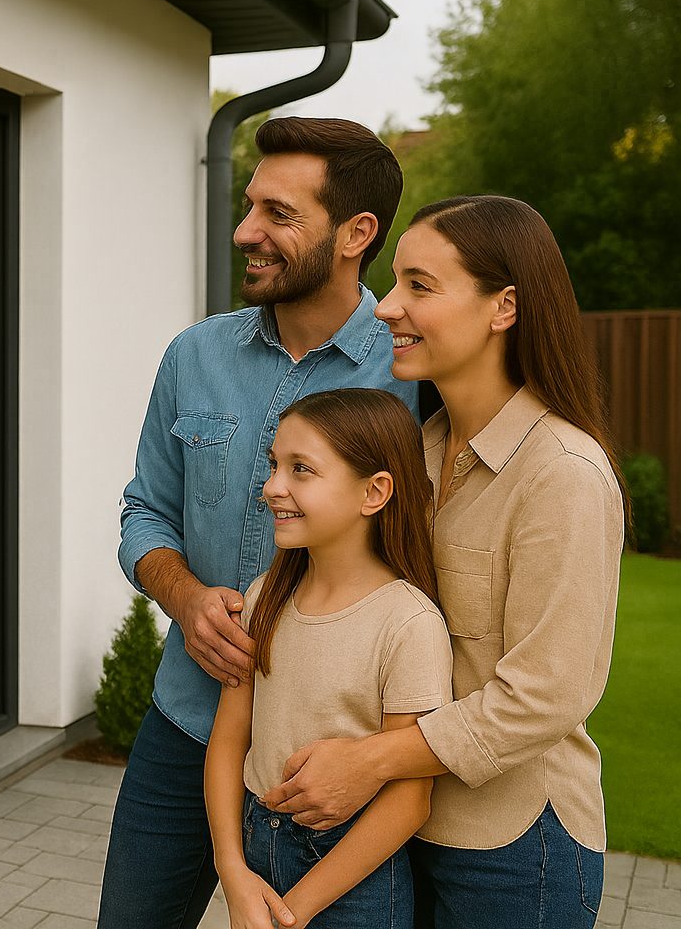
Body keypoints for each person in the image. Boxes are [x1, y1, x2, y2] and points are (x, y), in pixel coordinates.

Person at [263, 196, 627, 928]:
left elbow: (547, 695)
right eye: (394, 282)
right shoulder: (418, 455)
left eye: (419, 287)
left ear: (504, 307)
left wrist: (370, 761)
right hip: (404, 828)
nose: (386, 307)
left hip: (515, 847)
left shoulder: (563, 473)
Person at [101, 117, 416, 928]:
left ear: (357, 234)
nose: (246, 232)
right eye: (250, 207)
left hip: (332, 762)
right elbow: (144, 513)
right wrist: (184, 597)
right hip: (185, 728)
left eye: (278, 213)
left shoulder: (416, 374)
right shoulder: (194, 356)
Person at [205, 388, 451, 929]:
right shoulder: (264, 597)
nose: (272, 487)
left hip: (352, 882)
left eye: (301, 469)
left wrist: (291, 913)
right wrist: (233, 872)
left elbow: (410, 802)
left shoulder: (408, 624)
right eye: (274, 465)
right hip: (255, 856)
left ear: (374, 492)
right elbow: (228, 740)